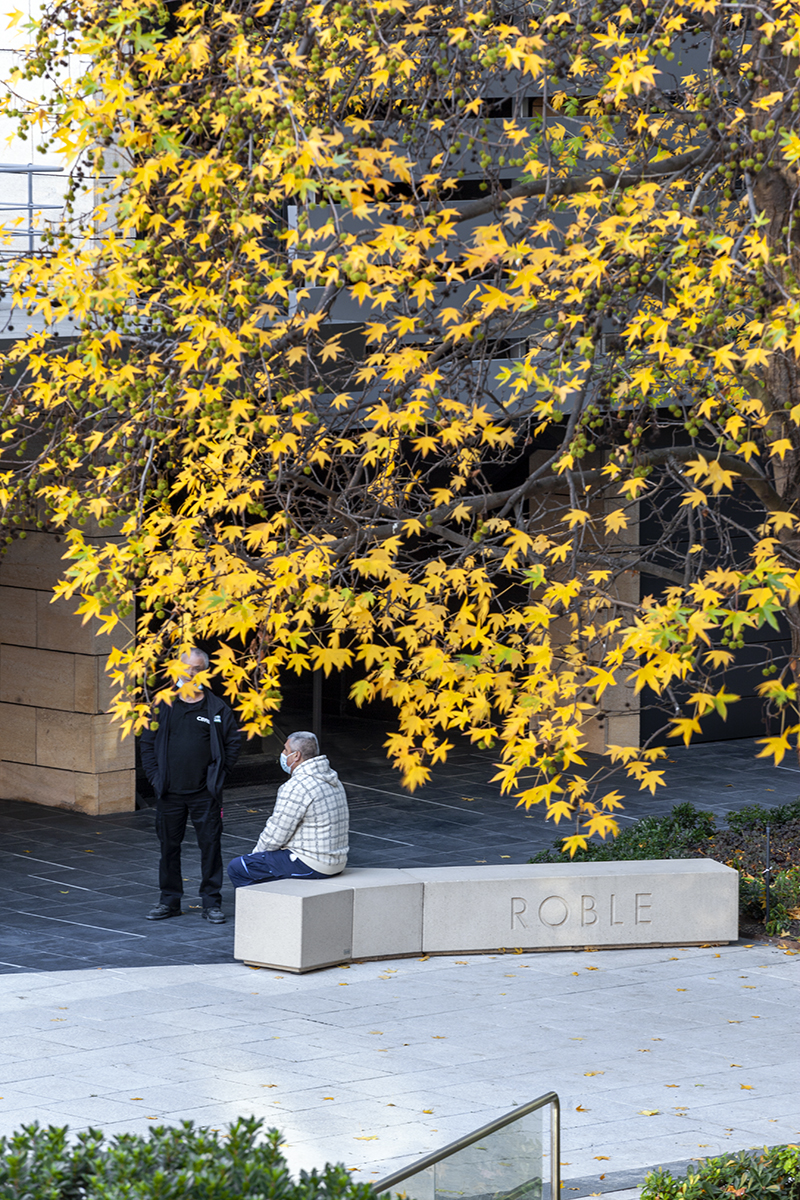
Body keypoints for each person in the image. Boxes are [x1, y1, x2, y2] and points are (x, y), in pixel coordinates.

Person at [140, 648, 241, 923]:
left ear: (205, 672)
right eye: (188, 668)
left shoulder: (217, 707)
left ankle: (211, 903)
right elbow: (147, 744)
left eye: (198, 669)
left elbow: (232, 744)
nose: (192, 674)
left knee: (210, 847)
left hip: (204, 794)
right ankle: (169, 901)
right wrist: (156, 778)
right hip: (169, 793)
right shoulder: (163, 704)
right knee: (168, 848)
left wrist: (218, 777)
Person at [227, 731, 348, 888]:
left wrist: (256, 855)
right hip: (337, 860)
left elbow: (277, 833)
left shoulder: (297, 786)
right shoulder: (333, 779)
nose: (282, 754)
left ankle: (264, 910)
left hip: (313, 863)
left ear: (296, 756)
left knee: (239, 867)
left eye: (285, 750)